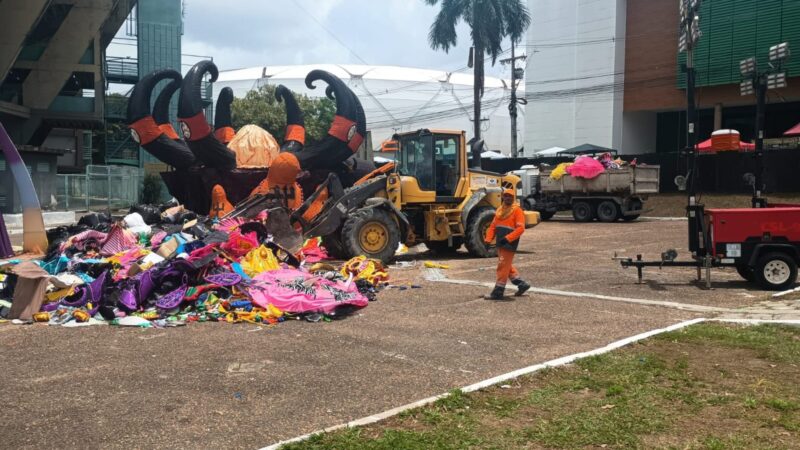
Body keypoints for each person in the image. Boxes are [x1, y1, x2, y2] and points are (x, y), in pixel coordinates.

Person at [484, 189, 531, 300]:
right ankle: (521, 284)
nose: (508, 198)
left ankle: (498, 292)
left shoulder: (517, 210)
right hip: (501, 243)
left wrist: (508, 238)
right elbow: (492, 227)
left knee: (502, 266)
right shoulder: (499, 210)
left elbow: (520, 229)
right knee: (506, 265)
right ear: (503, 197)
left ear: (513, 197)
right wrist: (487, 240)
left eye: (510, 196)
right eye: (506, 196)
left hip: (509, 244)